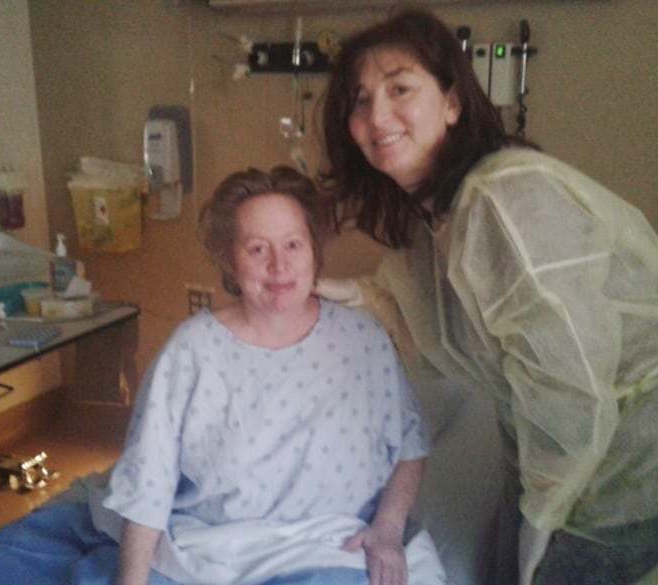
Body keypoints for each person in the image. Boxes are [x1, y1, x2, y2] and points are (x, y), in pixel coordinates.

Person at [314, 7, 658, 585]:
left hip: (640, 462)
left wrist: (542, 518)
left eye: (399, 88)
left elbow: (570, 387)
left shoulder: (504, 197)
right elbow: (444, 319)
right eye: (359, 100)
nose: (376, 115)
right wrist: (347, 295)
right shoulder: (438, 216)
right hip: (571, 462)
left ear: (453, 102)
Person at [95, 166, 446, 585]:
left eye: (293, 245)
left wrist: (388, 532)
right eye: (258, 249)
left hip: (334, 548)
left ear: (314, 250)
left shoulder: (363, 341)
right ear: (229, 259)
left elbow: (410, 444)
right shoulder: (192, 351)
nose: (280, 266)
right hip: (212, 553)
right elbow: (147, 482)